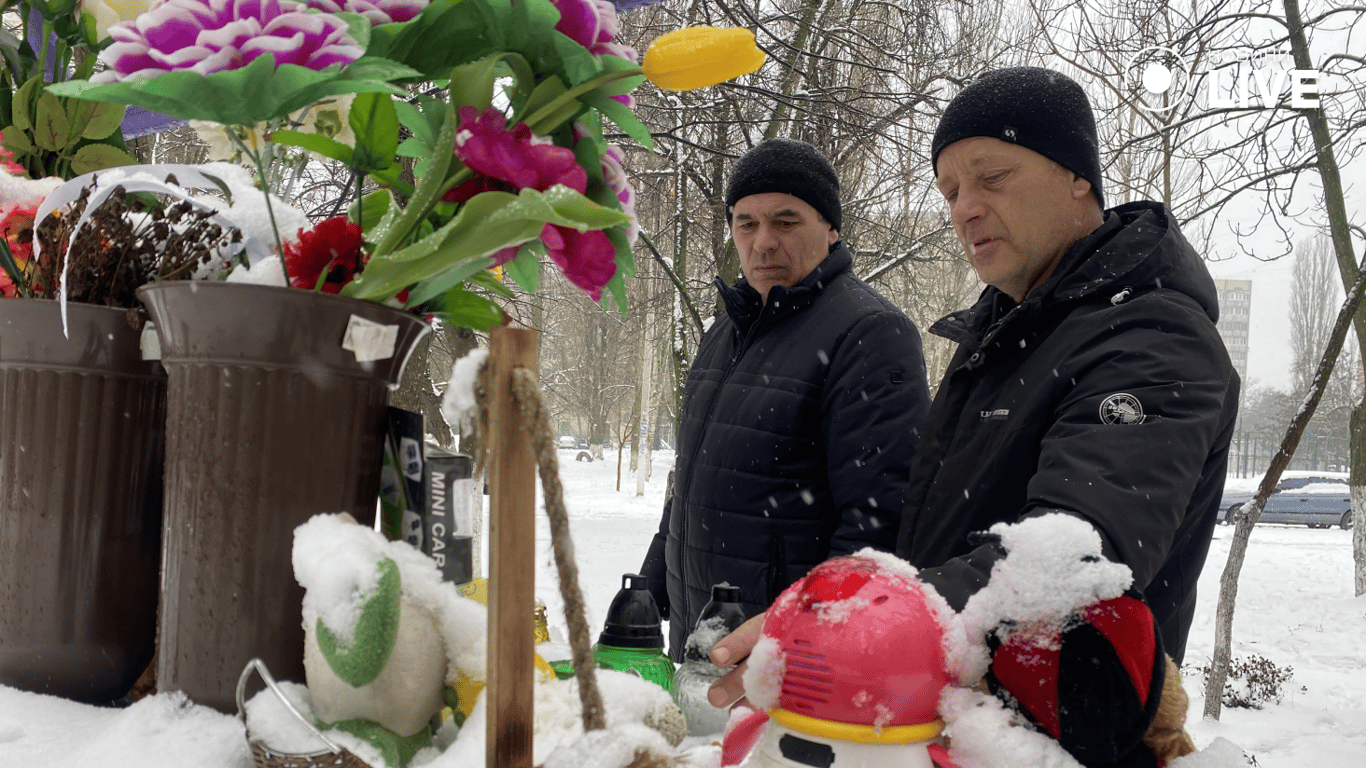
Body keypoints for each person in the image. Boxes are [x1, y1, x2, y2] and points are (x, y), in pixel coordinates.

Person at [707, 68, 1239, 767]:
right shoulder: (1004, 337)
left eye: (992, 177)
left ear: (1078, 175)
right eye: (951, 190)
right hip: (962, 726)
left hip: (1065, 735)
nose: (965, 208)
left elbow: (1074, 555)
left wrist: (852, 630)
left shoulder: (1150, 337)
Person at [639, 137, 931, 660]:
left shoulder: (869, 333)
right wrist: (652, 583)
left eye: (786, 221)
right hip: (700, 631)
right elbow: (691, 483)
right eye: (746, 223)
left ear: (831, 228)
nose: (763, 241)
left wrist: (805, 638)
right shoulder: (724, 333)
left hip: (782, 653)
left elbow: (879, 521)